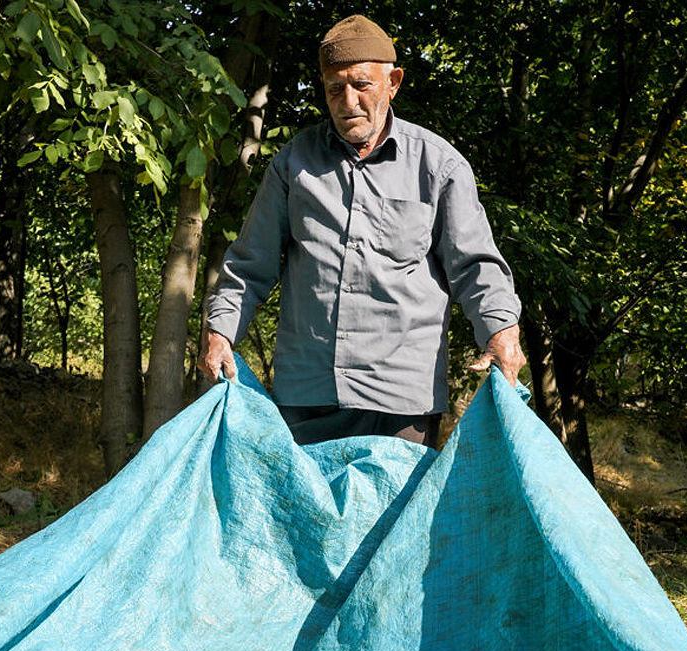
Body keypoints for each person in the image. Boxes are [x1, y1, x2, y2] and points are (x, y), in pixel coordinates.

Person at [200, 14, 525, 446]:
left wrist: (501, 331)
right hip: (307, 394)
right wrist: (220, 331)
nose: (348, 101)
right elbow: (250, 265)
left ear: (394, 82)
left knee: (395, 514)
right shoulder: (294, 164)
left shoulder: (438, 165)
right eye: (335, 88)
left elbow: (476, 267)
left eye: (362, 85)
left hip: (401, 400)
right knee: (306, 514)